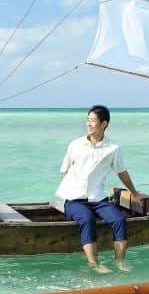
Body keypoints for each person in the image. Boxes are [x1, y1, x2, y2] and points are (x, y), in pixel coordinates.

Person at [57, 105, 141, 273]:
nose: (88, 124)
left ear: (104, 124)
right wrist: (68, 194)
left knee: (119, 220)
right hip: (75, 199)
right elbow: (65, 170)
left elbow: (121, 172)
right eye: (87, 120)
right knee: (87, 220)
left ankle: (119, 261)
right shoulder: (75, 144)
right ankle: (95, 264)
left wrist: (134, 192)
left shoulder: (113, 148)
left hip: (98, 198)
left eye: (93, 120)